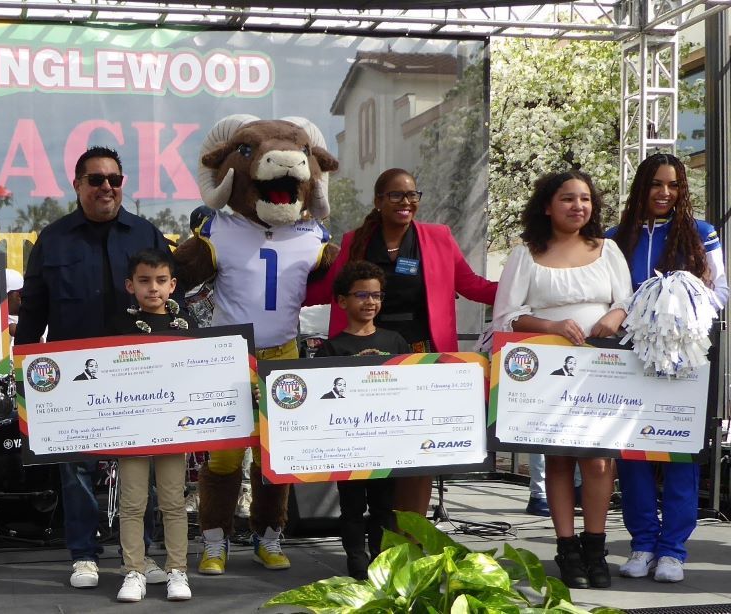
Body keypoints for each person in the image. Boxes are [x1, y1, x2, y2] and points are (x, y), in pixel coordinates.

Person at [15, 146, 171, 590]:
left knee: (140, 464)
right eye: (96, 179)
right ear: (78, 185)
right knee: (77, 467)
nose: (106, 187)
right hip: (73, 373)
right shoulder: (55, 238)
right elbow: (35, 309)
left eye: (114, 180)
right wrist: (24, 363)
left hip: (138, 370)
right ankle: (83, 555)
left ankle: (138, 553)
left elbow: (166, 301)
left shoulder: (146, 234)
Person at [310, 167, 497, 516]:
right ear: (379, 201)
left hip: (421, 354)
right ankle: (377, 533)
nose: (406, 202)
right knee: (374, 440)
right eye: (396, 195)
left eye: (412, 195)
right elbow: (329, 288)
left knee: (419, 446)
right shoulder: (356, 241)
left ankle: (411, 531)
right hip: (369, 353)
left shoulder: (438, 237)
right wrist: (274, 299)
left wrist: (525, 295)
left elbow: (472, 285)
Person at [490, 170, 632, 589]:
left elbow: (627, 299)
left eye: (585, 199)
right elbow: (506, 316)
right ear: (548, 205)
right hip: (548, 371)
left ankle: (595, 545)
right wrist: (550, 323)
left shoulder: (608, 249)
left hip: (602, 369)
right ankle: (567, 548)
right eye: (568, 198)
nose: (578, 206)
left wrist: (613, 315)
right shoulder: (525, 254)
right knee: (560, 457)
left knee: (599, 459)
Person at [606, 153, 729, 583]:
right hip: (628, 358)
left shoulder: (701, 233)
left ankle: (673, 550)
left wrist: (677, 306)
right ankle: (642, 543)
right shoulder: (615, 237)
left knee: (680, 451)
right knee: (633, 453)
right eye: (657, 184)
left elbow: (721, 293)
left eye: (673, 185)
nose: (665, 193)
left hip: (684, 359)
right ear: (642, 186)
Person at [107, 248, 195, 603]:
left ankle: (178, 570)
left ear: (172, 285)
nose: (153, 288)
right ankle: (135, 570)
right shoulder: (117, 328)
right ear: (131, 285)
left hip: (175, 428)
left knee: (174, 501)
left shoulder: (188, 328)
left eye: (161, 281)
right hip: (131, 430)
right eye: (144, 281)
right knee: (132, 503)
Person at [315, 261, 411, 579]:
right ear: (342, 301)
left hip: (386, 444)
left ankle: (381, 559)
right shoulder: (331, 349)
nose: (371, 302)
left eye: (376, 295)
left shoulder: (396, 342)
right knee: (352, 507)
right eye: (362, 295)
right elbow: (319, 399)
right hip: (349, 446)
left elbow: (411, 389)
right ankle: (356, 560)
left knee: (384, 506)